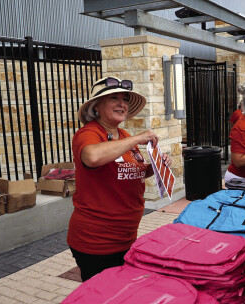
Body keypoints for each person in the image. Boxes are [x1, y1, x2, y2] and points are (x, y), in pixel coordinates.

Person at [68, 76, 171, 282]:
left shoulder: (123, 136)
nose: (122, 103)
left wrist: (156, 167)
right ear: (96, 105)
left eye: (124, 99)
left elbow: (135, 172)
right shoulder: (88, 134)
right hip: (96, 241)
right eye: (114, 98)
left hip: (125, 236)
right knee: (102, 294)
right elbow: (93, 157)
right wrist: (137, 138)